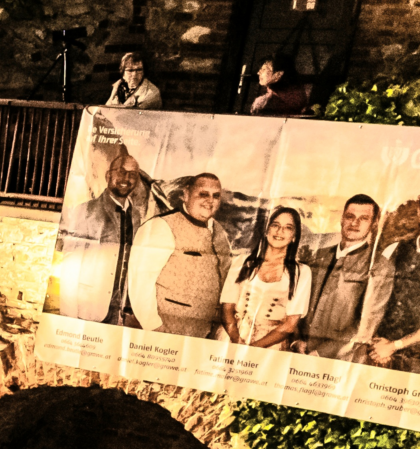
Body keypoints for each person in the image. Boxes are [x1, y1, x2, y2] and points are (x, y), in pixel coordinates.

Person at [54, 146, 156, 326]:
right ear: (108, 176)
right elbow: (70, 265)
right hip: (89, 310)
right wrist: (68, 318)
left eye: (133, 174)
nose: (126, 178)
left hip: (120, 314)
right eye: (121, 172)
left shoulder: (137, 217)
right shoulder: (85, 211)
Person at [134, 171, 232, 339]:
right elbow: (140, 283)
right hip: (166, 332)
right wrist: (154, 327)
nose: (210, 201)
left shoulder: (220, 232)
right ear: (186, 194)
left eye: (215, 196)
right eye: (203, 194)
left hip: (204, 335)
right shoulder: (160, 226)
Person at [301, 195, 392, 361]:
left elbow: (366, 323)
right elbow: (300, 302)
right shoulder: (318, 257)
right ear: (342, 219)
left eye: (363, 218)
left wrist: (322, 352)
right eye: (350, 217)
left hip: (341, 358)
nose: (354, 223)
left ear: (373, 224)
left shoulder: (380, 266)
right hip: (301, 350)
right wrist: (297, 340)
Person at [370, 185, 420, 375]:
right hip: (376, 352)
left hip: (418, 362)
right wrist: (378, 344)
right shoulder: (393, 249)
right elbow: (371, 300)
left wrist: (394, 346)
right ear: (418, 210)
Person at [221, 206, 311, 349]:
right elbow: (227, 308)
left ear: (294, 236)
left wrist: (253, 348)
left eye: (288, 228)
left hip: (270, 344)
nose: (279, 231)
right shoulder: (242, 261)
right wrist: (237, 341)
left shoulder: (302, 272)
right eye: (275, 225)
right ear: (266, 230)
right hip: (232, 337)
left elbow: (290, 324)